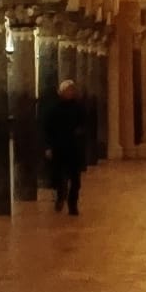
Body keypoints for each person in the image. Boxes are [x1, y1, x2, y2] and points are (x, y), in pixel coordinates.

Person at [46, 79, 87, 215]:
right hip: (59, 148)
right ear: (62, 92)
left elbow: (84, 124)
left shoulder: (79, 107)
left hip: (74, 149)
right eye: (68, 90)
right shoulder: (54, 109)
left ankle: (72, 204)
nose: (70, 92)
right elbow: (48, 129)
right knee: (59, 177)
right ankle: (60, 196)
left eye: (72, 90)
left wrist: (80, 132)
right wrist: (48, 147)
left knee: (76, 180)